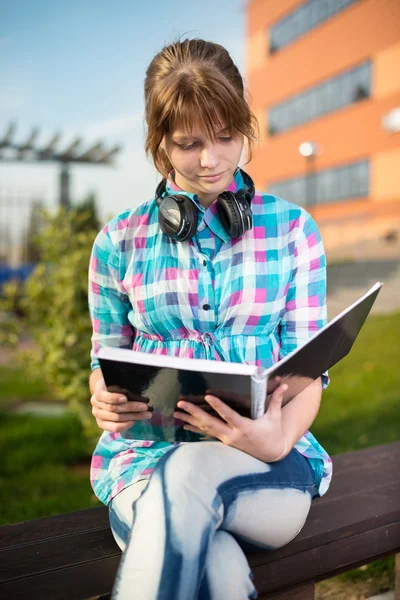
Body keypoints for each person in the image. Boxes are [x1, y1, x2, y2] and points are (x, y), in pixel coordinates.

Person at [88, 38, 332, 600]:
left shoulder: (293, 230)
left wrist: (276, 441)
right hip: (143, 461)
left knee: (190, 478)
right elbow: (103, 358)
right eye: (189, 143)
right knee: (214, 562)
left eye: (227, 137)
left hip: (268, 463)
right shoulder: (117, 242)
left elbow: (310, 370)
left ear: (245, 125)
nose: (212, 160)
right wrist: (102, 394)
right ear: (159, 144)